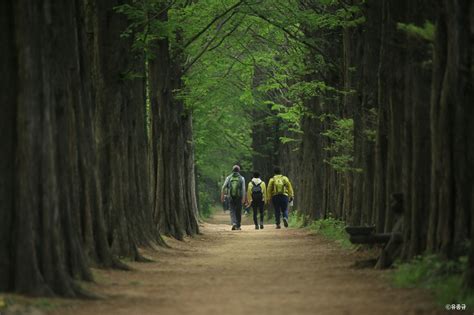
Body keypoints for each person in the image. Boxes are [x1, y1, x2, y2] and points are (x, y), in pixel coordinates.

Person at [221, 165, 246, 230]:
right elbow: (243, 189)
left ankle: (234, 223)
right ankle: (238, 225)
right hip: (239, 197)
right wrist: (244, 198)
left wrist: (222, 196)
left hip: (230, 197)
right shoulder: (242, 178)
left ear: (232, 170)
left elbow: (223, 187)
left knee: (232, 210)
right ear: (239, 170)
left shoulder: (228, 177)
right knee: (238, 210)